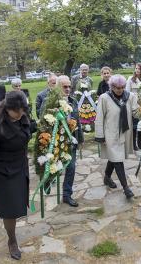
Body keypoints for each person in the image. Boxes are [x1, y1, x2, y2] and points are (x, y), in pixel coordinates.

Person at [0, 91, 31, 260]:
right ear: (7, 108)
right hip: (3, 172)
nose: (20, 115)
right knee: (10, 211)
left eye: (22, 111)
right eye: (16, 112)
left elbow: (29, 130)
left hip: (20, 168)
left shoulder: (22, 116)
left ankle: (12, 237)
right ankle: (12, 240)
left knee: (18, 205)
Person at [95, 74, 138, 198]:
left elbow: (135, 112)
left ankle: (107, 178)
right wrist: (100, 136)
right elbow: (99, 117)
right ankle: (126, 188)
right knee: (118, 159)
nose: (120, 90)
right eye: (117, 87)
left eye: (122, 87)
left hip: (124, 133)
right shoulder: (104, 98)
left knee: (114, 157)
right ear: (111, 86)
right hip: (110, 134)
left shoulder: (130, 97)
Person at [56, 75, 84, 207]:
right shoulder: (50, 101)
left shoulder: (73, 101)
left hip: (71, 141)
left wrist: (81, 139)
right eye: (64, 87)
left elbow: (78, 121)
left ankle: (67, 195)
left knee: (71, 168)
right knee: (54, 169)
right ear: (58, 87)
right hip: (55, 142)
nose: (67, 89)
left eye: (69, 87)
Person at [126, 63, 141, 151]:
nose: (137, 70)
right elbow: (127, 92)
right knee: (134, 125)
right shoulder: (130, 79)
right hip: (133, 103)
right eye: (136, 68)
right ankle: (133, 143)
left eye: (139, 69)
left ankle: (139, 142)